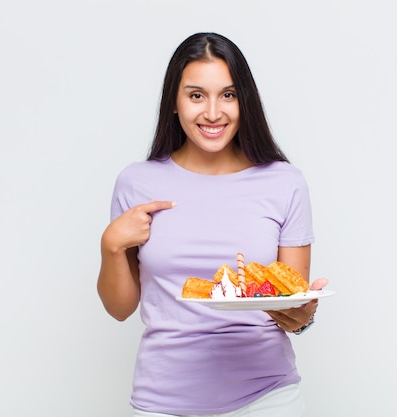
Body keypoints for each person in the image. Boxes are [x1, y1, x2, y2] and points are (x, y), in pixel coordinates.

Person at [97, 32, 325, 417]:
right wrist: (111, 245)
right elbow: (120, 309)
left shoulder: (284, 182)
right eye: (196, 95)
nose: (214, 113)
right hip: (162, 401)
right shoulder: (137, 183)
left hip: (266, 398)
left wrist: (302, 317)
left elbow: (289, 304)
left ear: (244, 101)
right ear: (175, 101)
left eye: (229, 95)